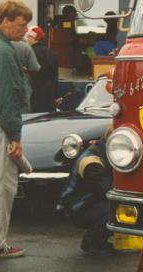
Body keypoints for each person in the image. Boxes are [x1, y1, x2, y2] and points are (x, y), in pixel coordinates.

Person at [0, 0, 32, 259]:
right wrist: (14, 136)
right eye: (21, 25)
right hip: (0, 121)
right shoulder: (4, 52)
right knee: (2, 185)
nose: (25, 30)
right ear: (5, 21)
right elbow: (6, 96)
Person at [58, 127, 113, 256]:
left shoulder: (101, 151)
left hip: (85, 202)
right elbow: (106, 190)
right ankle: (92, 243)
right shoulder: (92, 162)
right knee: (117, 210)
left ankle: (99, 239)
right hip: (78, 207)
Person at [26, 26, 59, 113]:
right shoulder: (52, 54)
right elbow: (55, 77)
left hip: (35, 92)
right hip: (50, 91)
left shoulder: (30, 53)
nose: (27, 39)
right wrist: (56, 95)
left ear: (34, 38)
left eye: (29, 37)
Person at [11, 36, 41, 113]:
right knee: (24, 108)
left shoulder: (2, 45)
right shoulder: (26, 47)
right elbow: (35, 68)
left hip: (5, 81)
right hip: (23, 81)